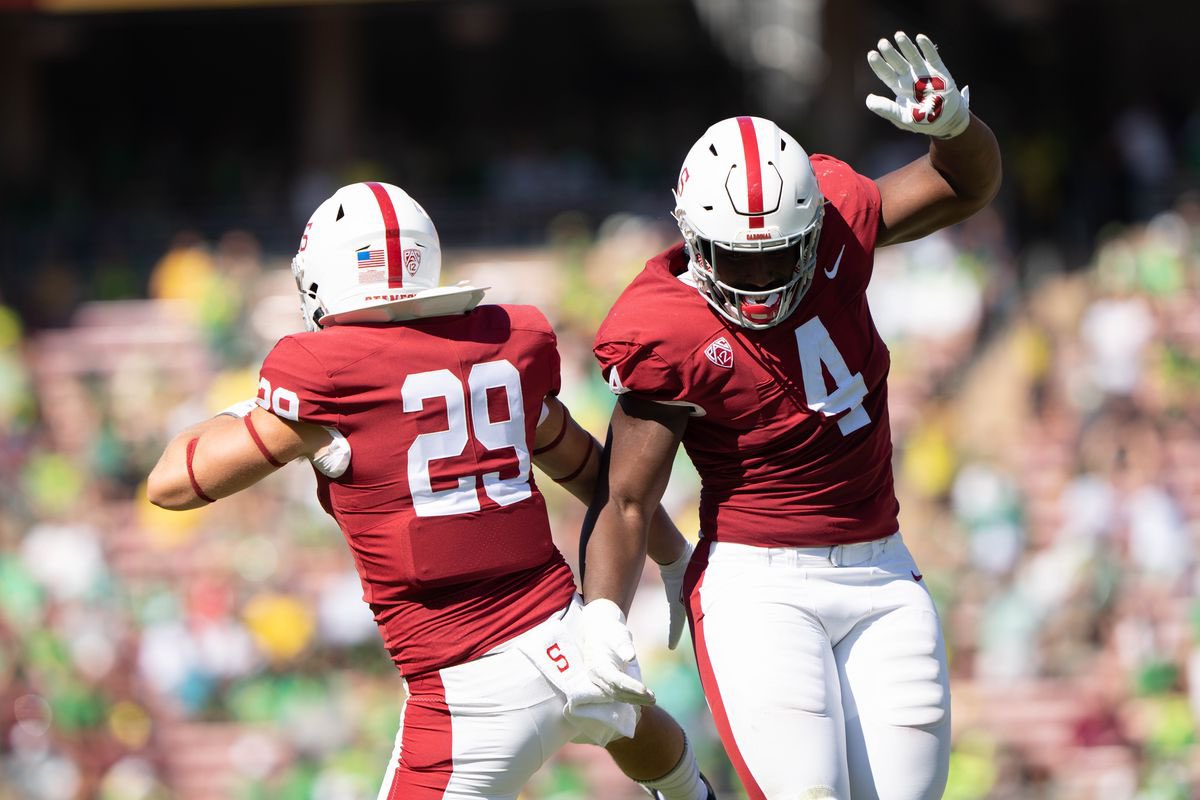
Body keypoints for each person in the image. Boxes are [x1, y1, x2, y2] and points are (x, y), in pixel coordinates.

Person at [147, 181, 715, 800]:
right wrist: (672, 554)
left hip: (466, 689)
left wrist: (252, 413)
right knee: (631, 719)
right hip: (571, 637)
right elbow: (592, 473)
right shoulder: (500, 351)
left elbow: (171, 486)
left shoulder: (327, 384)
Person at [580, 32, 1002, 800]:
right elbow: (627, 495)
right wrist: (604, 615)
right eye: (736, 259)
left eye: (779, 254)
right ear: (691, 235)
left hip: (883, 570)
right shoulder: (665, 325)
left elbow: (963, 187)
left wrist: (956, 133)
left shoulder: (839, 223)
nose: (760, 278)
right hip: (759, 585)